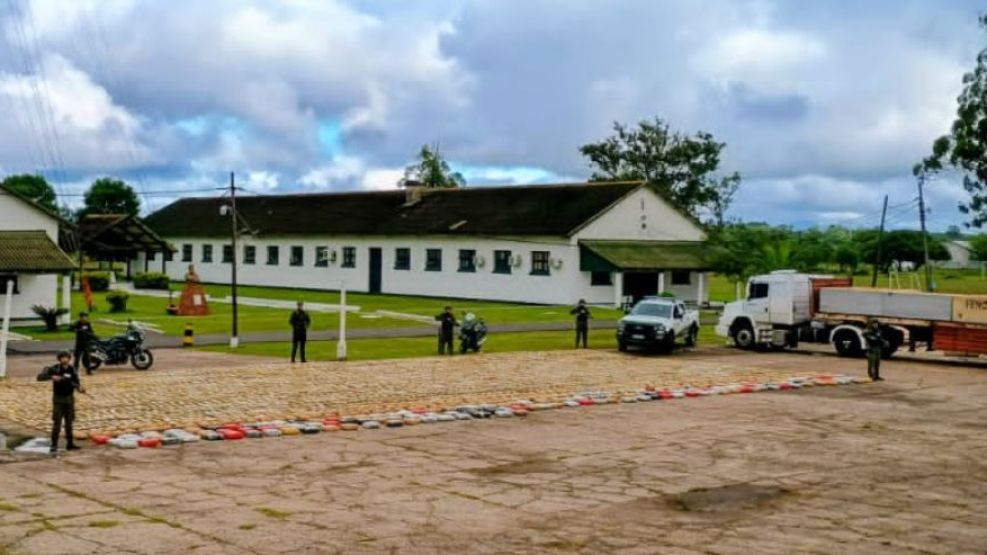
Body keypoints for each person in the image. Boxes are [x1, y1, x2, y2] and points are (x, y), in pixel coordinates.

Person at [36, 350, 85, 455]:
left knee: (69, 423)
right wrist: (51, 377)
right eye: (63, 357)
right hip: (58, 399)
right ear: (59, 359)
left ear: (69, 358)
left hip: (69, 399)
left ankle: (70, 444)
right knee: (57, 423)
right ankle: (54, 445)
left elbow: (76, 382)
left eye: (66, 357)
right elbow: (39, 377)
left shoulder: (72, 369)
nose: (65, 359)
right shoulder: (54, 368)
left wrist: (80, 388)